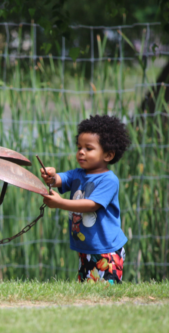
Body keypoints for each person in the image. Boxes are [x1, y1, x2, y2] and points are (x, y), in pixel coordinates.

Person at [41, 115, 131, 283]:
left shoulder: (108, 180)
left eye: (88, 148)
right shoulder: (77, 174)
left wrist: (60, 203)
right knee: (87, 292)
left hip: (106, 251)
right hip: (86, 249)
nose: (81, 152)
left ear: (108, 155)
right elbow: (61, 179)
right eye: (79, 147)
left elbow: (91, 205)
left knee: (103, 296)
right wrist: (51, 176)